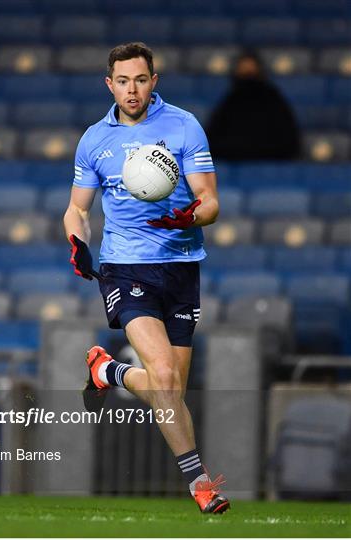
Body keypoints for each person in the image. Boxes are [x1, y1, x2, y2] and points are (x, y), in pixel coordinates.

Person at [63, 42, 229, 514]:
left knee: (169, 388)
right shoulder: (95, 139)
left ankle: (108, 370)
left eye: (140, 80)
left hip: (180, 265)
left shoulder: (183, 125)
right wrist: (77, 242)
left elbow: (211, 202)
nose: (131, 90)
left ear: (153, 81)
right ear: (109, 83)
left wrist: (190, 218)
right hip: (125, 266)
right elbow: (77, 208)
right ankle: (201, 485)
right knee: (162, 376)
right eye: (122, 81)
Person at [206, 51, 300, 160]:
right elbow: (213, 139)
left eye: (251, 70)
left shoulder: (273, 99)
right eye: (244, 69)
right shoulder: (230, 101)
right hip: (235, 163)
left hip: (270, 165)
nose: (247, 73)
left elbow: (289, 141)